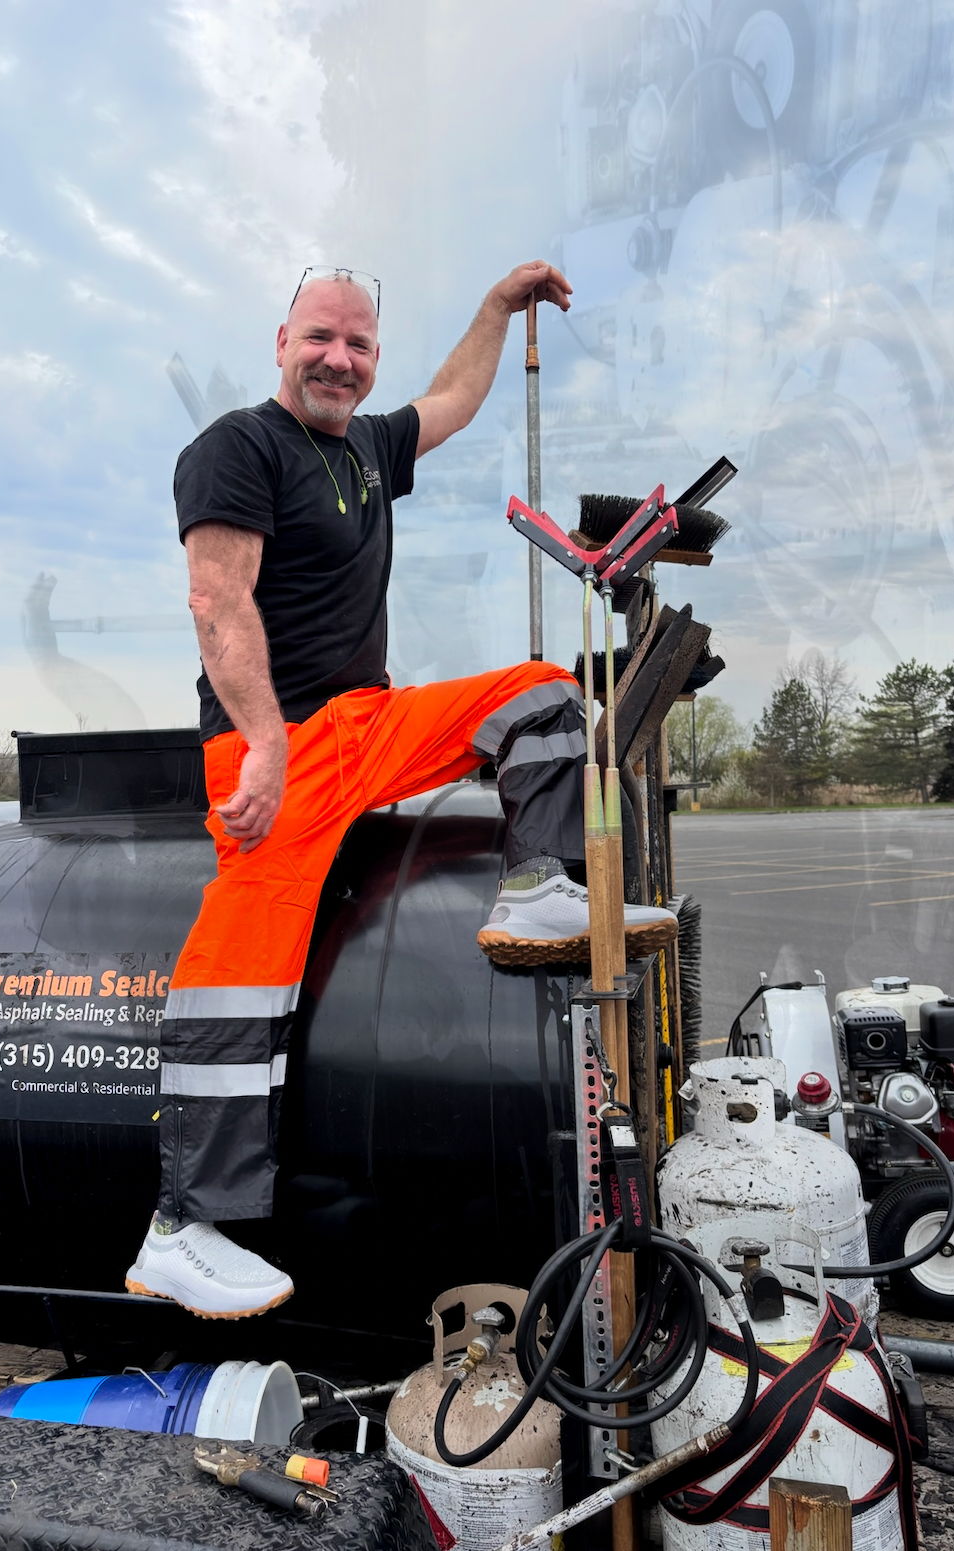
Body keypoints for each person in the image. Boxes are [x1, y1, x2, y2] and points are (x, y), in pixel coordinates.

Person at [125, 262, 676, 1318]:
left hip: (366, 722)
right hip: (277, 744)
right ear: (280, 338)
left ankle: (533, 888)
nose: (339, 359)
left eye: (359, 345)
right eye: (320, 337)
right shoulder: (236, 447)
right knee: (239, 977)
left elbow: (456, 401)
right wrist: (266, 744)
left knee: (543, 699)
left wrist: (491, 308)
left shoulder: (369, 447)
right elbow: (217, 597)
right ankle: (182, 1227)